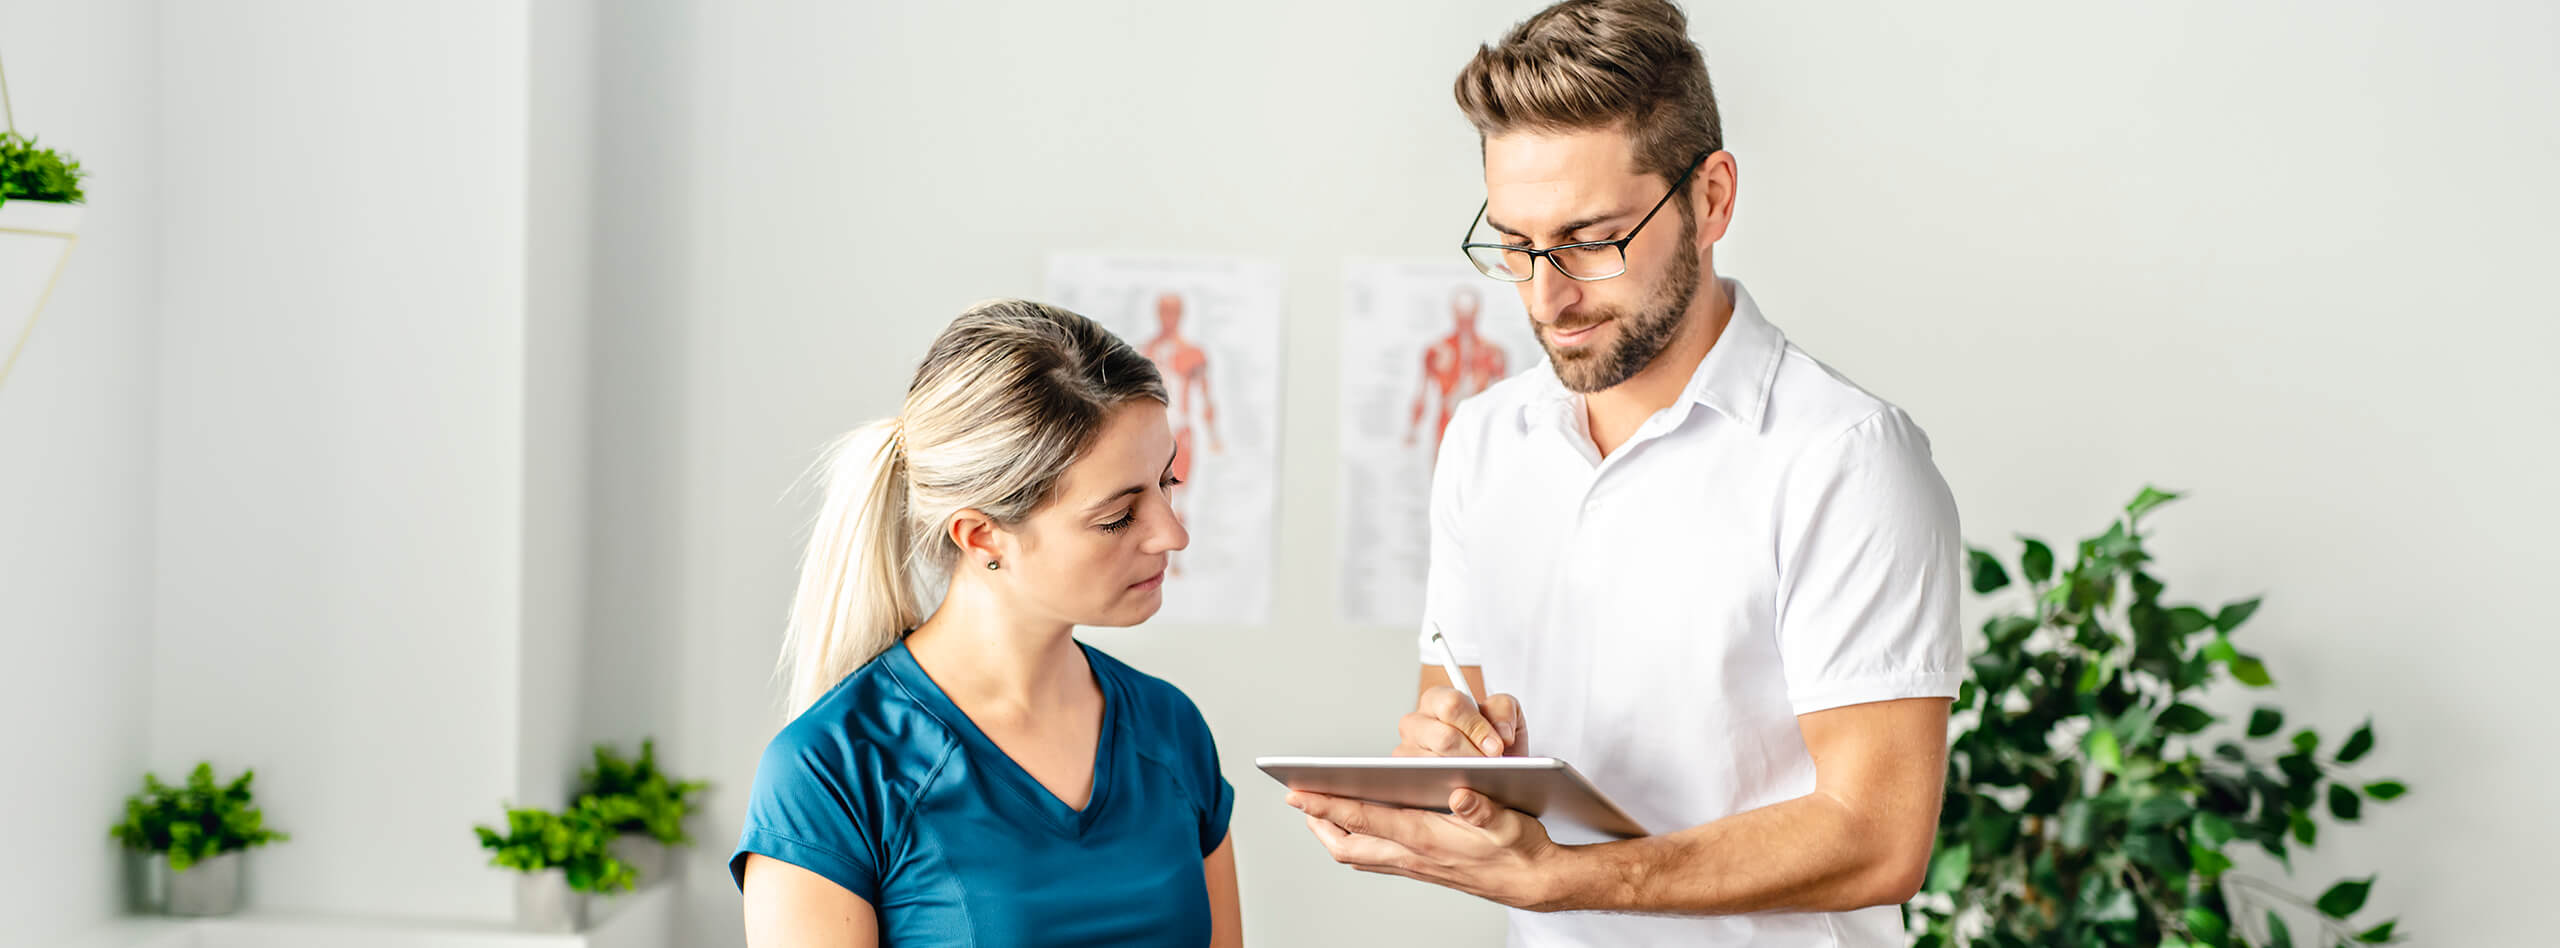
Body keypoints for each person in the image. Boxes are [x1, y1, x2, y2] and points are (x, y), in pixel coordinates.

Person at [1284, 2, 1963, 945]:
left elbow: (1876, 837)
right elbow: (1451, 705)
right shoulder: (1487, 440)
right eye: (1516, 247)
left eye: (1591, 240)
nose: (1547, 296)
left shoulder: (1842, 458)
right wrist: (1448, 752)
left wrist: (1563, 881)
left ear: (1712, 199)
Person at [734, 300, 1243, 947]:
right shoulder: (831, 772)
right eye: (1118, 516)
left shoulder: (1171, 731)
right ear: (982, 536)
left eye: (1168, 482)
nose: (1172, 534)